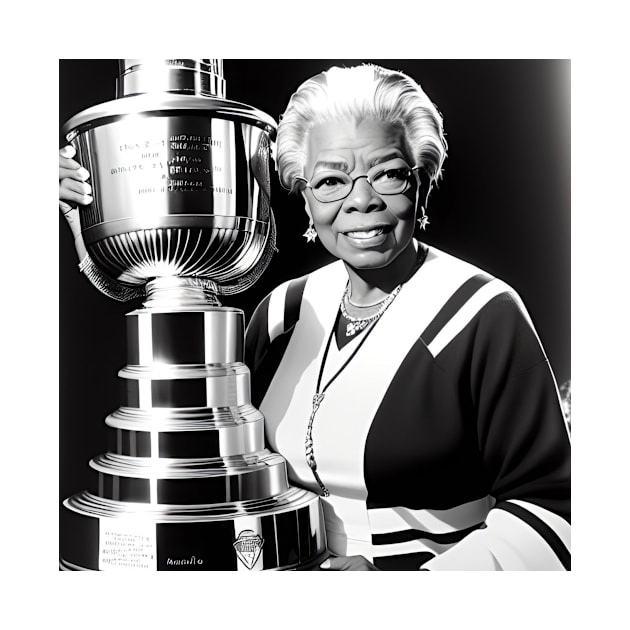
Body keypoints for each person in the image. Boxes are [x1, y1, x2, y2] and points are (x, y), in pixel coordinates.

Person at [60, 63, 571, 571]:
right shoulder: (283, 311)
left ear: (423, 181)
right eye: (331, 180)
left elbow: (556, 514)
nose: (362, 201)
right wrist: (88, 216)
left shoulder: (482, 312)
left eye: (389, 173)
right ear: (303, 197)